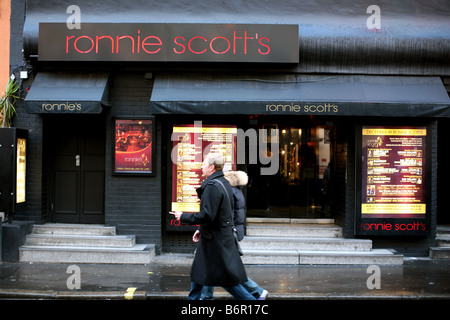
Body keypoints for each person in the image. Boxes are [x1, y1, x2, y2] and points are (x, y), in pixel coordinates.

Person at [171, 153, 256, 300]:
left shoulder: (212, 186)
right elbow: (218, 215)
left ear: (211, 167)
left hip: (214, 241)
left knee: (226, 281)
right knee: (199, 273)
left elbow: (207, 215)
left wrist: (183, 216)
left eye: (204, 164)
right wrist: (200, 230)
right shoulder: (223, 183)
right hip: (216, 238)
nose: (201, 167)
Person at [201, 170, 269, 300]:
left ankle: (256, 291)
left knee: (223, 269)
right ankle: (256, 291)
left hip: (225, 234)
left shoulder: (228, 192)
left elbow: (226, 214)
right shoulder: (237, 191)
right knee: (221, 267)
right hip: (232, 232)